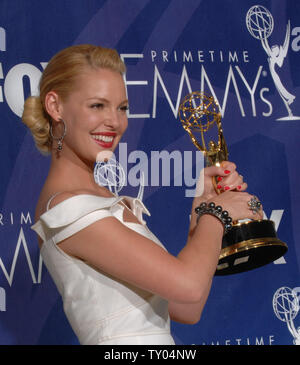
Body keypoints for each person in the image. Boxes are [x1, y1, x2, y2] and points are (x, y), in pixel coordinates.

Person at [22, 44, 262, 345]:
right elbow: (189, 286)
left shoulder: (96, 201)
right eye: (97, 105)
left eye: (122, 107)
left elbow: (187, 306)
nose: (115, 121)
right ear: (55, 107)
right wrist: (218, 212)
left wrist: (201, 215)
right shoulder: (69, 206)